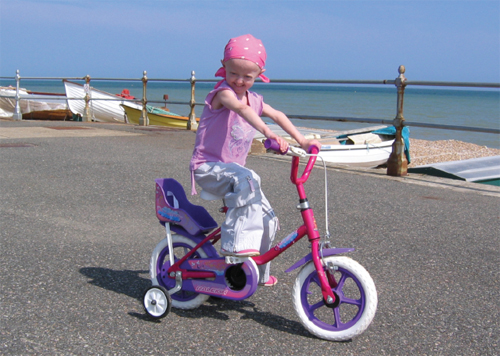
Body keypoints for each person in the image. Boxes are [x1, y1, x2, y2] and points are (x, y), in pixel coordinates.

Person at [190, 34, 321, 286]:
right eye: (234, 73)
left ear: (259, 74)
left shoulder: (256, 99)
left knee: (267, 216)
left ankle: (255, 273)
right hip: (207, 168)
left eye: (247, 77)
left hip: (233, 174)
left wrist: (302, 141)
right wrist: (268, 133)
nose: (239, 81)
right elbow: (242, 110)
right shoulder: (223, 94)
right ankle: (236, 248)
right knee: (250, 178)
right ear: (223, 67)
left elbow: (277, 114)